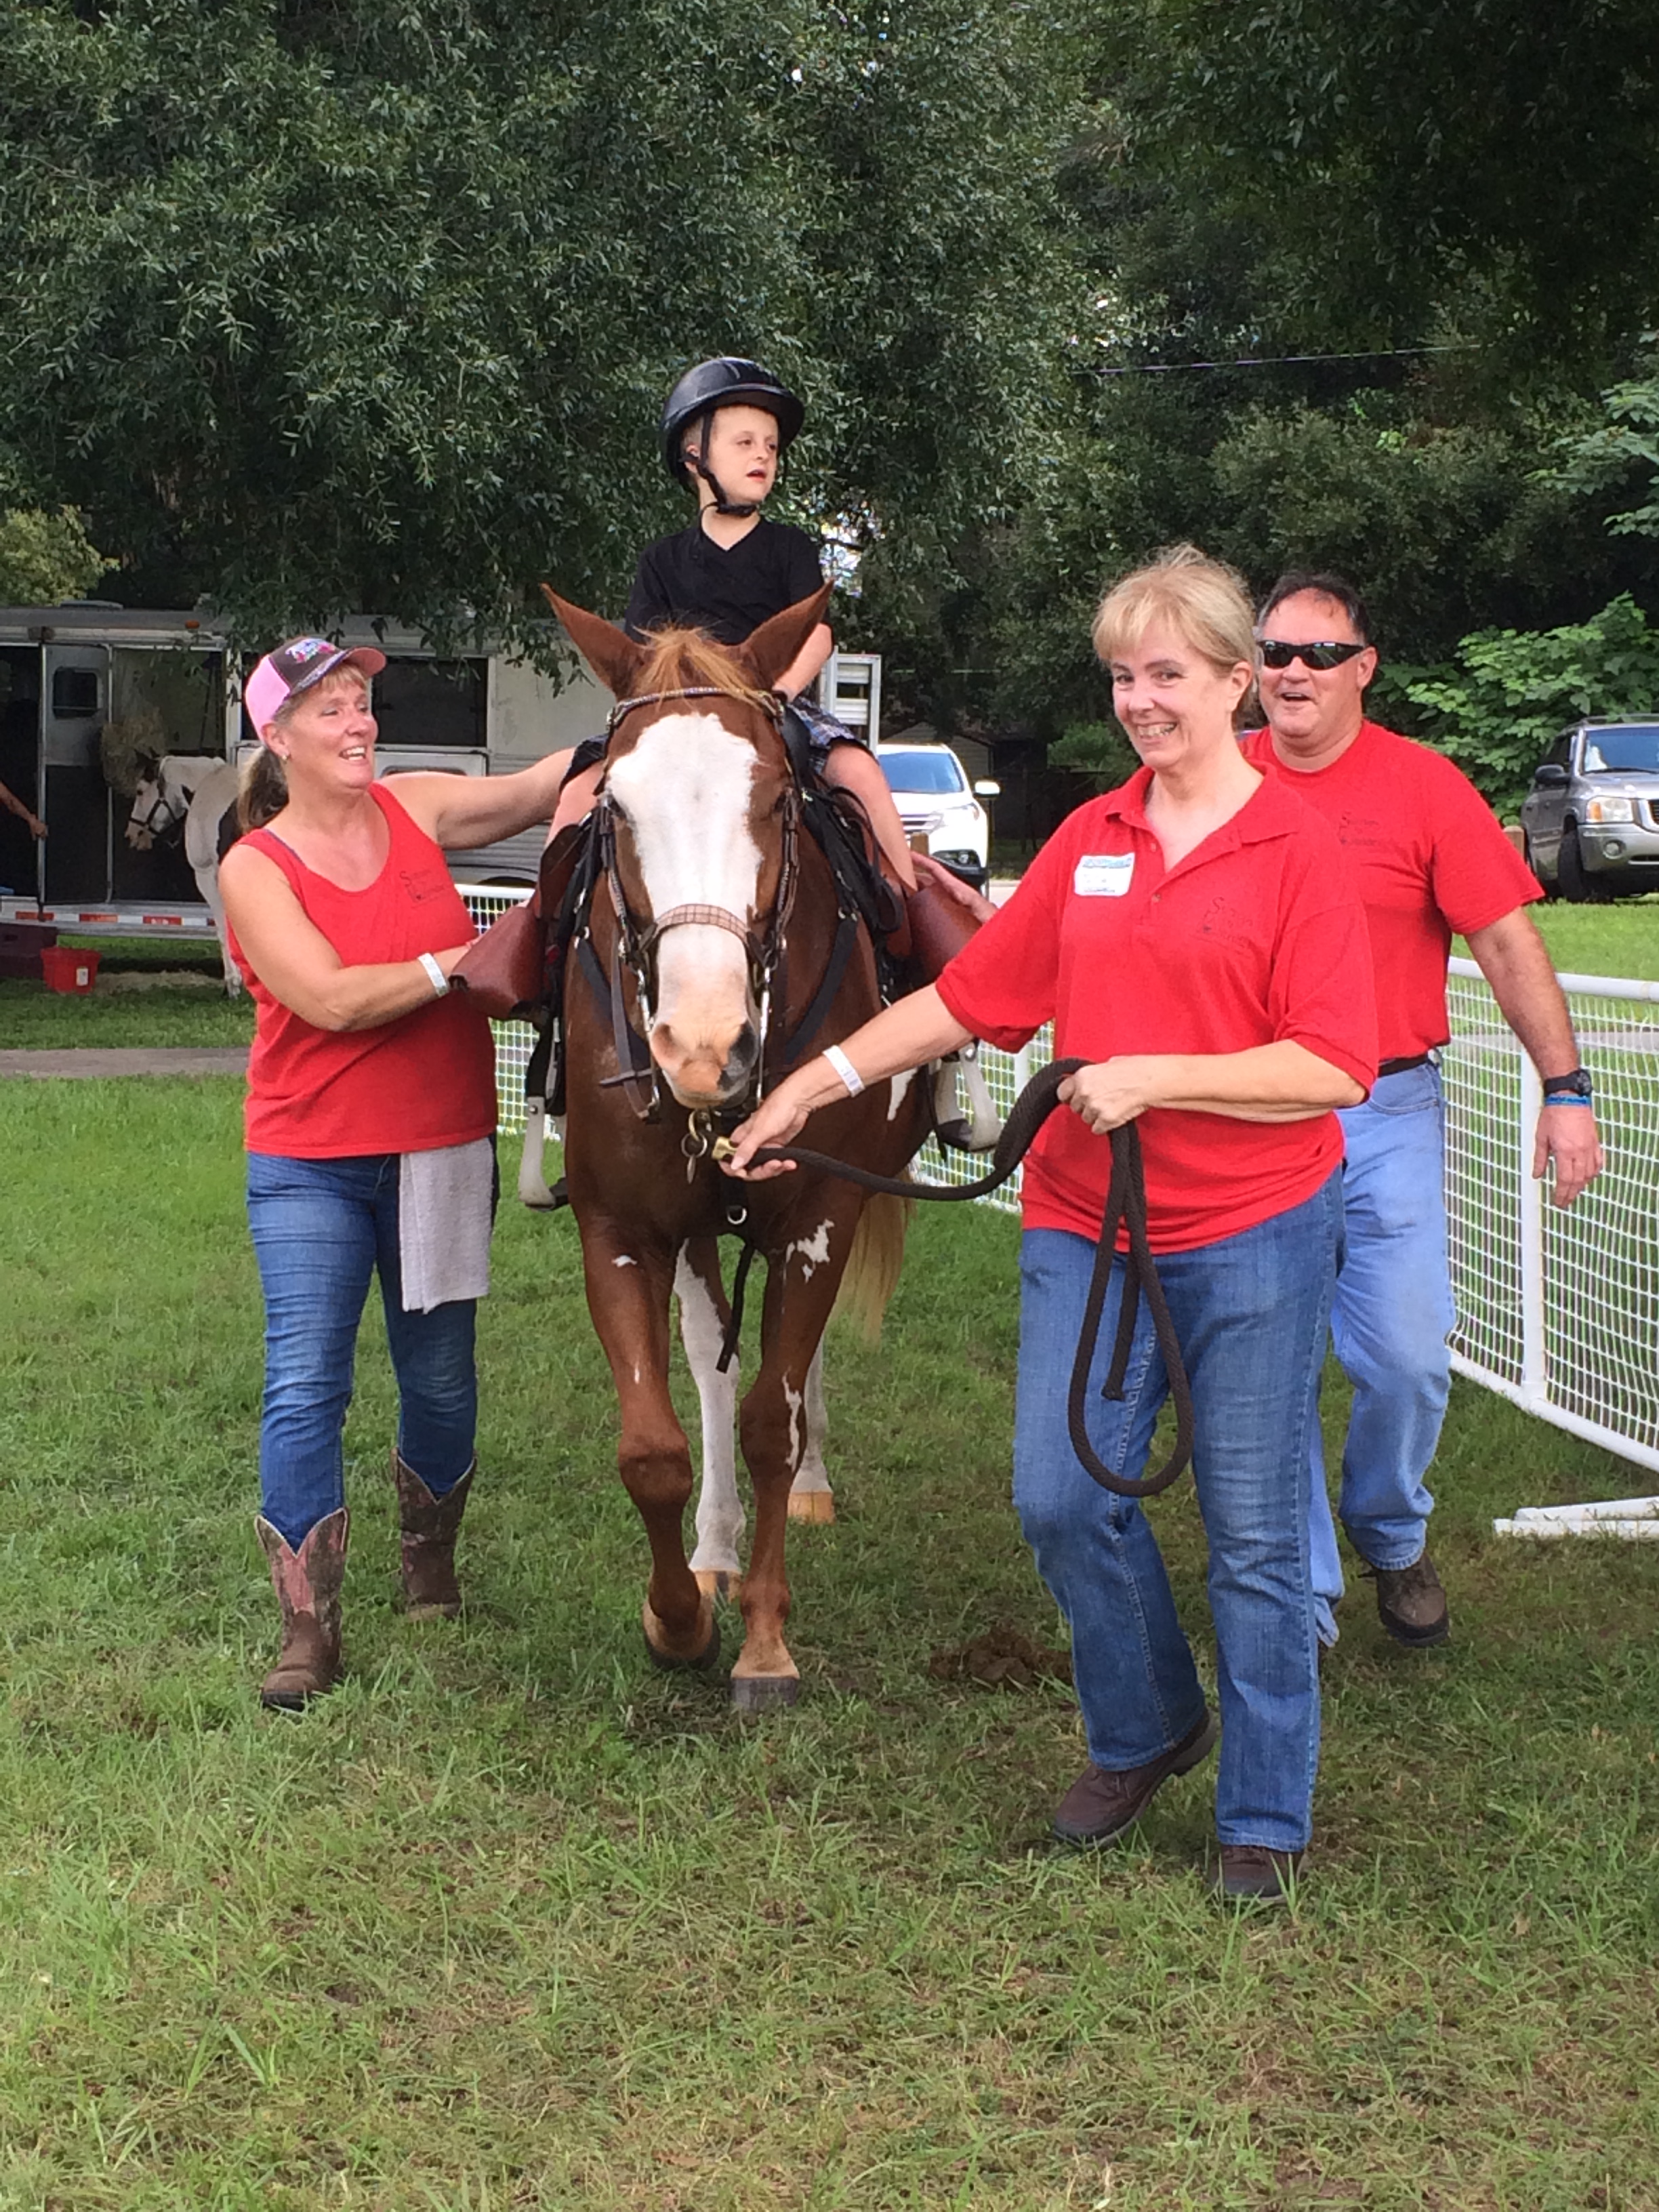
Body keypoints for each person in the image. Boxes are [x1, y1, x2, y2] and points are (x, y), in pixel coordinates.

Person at [724, 548, 1378, 1902]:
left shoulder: (1296, 848)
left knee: (1255, 1539)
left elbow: (1335, 1066)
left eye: (1169, 675)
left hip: (1254, 1229)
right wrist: (812, 1082)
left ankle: (1263, 1813)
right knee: (1060, 1498)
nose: (1141, 701)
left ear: (1238, 684)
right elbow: (972, 1000)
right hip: (1088, 1220)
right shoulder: (1091, 841)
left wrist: (1162, 1077)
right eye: (1124, 676)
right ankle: (1148, 1727)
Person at [1244, 573, 1603, 1652]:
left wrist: (1568, 1088)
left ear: (1365, 668)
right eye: (1273, 651)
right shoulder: (1211, 777)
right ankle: (1301, 1597)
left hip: (1385, 1102)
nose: (1292, 672)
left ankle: (1390, 1528)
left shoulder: (1425, 787)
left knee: (1403, 1357)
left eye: (1318, 653)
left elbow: (1504, 942)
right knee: (1270, 1360)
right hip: (1243, 1110)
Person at [218, 636, 572, 1711]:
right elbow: (325, 998)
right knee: (305, 1383)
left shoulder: (415, 806)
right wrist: (457, 961)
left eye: (363, 702)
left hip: (441, 1146)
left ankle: (430, 1562)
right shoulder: (254, 866)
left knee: (442, 1379)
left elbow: (530, 790)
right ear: (277, 739)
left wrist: (649, 709)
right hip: (310, 1160)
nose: (358, 723)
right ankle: (308, 1627)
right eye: (330, 710)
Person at [546, 356, 920, 896]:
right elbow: (645, 655)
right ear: (695, 454)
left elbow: (818, 633)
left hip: (774, 702)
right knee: (579, 791)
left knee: (860, 772)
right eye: (745, 443)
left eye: (771, 446)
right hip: (673, 715)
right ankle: (542, 934)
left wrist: (782, 690)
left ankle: (903, 912)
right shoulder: (662, 559)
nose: (763, 455)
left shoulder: (790, 548)